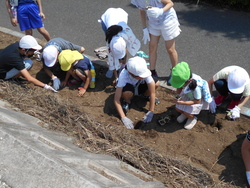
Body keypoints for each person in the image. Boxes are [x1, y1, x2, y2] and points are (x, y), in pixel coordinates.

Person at [131, 0, 181, 80]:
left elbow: (170, 3)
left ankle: (175, 73)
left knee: (170, 49)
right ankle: (152, 72)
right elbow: (142, 12)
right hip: (154, 23)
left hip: (168, 21)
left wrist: (161, 11)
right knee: (152, 48)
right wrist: (144, 28)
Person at [114, 56, 160, 129]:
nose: (143, 77)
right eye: (140, 76)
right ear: (130, 73)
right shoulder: (123, 76)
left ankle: (144, 95)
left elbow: (152, 92)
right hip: (129, 88)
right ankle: (127, 101)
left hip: (139, 86)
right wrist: (123, 117)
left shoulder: (142, 70)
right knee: (127, 93)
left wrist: (151, 111)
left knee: (156, 83)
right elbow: (116, 100)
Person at [100, 8, 141, 85]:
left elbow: (129, 46)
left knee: (122, 56)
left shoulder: (128, 35)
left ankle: (123, 65)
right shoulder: (110, 43)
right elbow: (111, 57)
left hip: (121, 14)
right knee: (112, 60)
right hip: (107, 18)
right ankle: (112, 69)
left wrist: (123, 63)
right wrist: (116, 77)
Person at [170, 62, 213, 130]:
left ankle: (192, 118)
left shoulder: (196, 87)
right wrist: (178, 96)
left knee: (187, 112)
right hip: (188, 95)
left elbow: (197, 100)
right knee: (177, 108)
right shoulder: (185, 80)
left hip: (195, 100)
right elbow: (179, 88)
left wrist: (183, 102)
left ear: (185, 82)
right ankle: (184, 113)